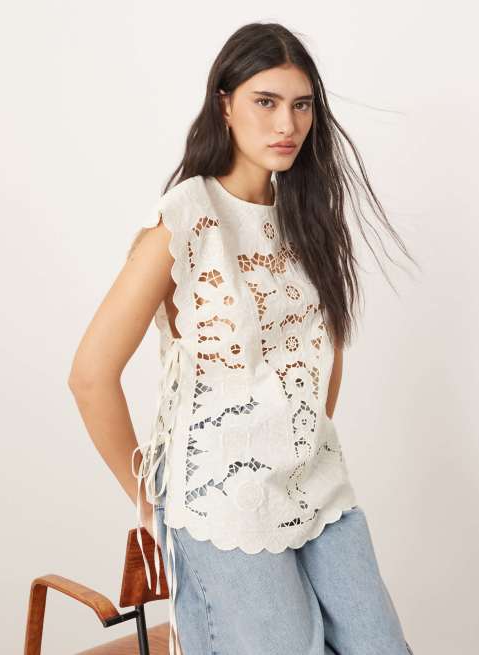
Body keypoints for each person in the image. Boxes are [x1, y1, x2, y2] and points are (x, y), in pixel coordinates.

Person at [68, 21, 417, 655]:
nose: (287, 124)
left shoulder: (309, 217)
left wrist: (295, 437)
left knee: (381, 647)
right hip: (219, 500)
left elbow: (324, 356)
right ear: (224, 104)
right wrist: (149, 503)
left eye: (301, 105)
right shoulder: (185, 220)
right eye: (266, 101)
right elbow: (91, 375)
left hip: (316, 483)